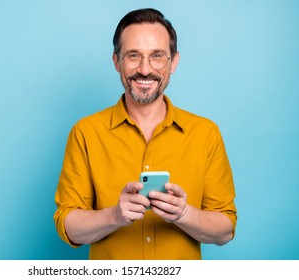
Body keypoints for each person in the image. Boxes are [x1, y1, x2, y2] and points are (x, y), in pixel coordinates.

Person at [54, 8, 237, 260]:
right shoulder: (85, 133)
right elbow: (68, 225)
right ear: (117, 62)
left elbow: (225, 230)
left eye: (157, 56)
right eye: (133, 56)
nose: (145, 69)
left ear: (173, 62)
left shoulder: (205, 133)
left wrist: (185, 214)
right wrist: (115, 215)